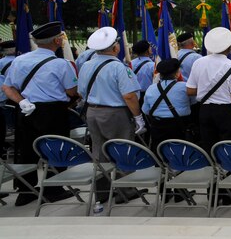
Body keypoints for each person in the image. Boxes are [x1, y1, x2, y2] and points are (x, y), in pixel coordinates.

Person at [1, 22, 78, 205]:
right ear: (58, 40)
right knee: (57, 148)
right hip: (53, 111)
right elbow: (72, 91)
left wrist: (22, 101)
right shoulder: (61, 64)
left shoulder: (19, 60)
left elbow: (7, 87)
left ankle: (25, 191)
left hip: (26, 109)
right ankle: (54, 189)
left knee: (25, 150)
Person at [77, 26, 145, 155]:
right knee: (122, 150)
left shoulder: (86, 65)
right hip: (115, 114)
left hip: (92, 111)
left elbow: (80, 92)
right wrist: (138, 117)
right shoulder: (119, 67)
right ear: (115, 48)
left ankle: (102, 174)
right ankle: (124, 175)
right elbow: (129, 96)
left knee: (99, 149)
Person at [186, 27, 231, 153]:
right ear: (228, 46)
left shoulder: (198, 62)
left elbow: (190, 91)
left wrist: (206, 89)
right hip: (226, 111)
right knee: (228, 148)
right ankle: (228, 172)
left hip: (205, 110)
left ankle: (214, 171)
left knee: (209, 147)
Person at [142, 58, 191, 146]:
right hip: (180, 127)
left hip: (158, 128)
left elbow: (145, 110)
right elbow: (193, 103)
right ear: (177, 73)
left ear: (160, 74)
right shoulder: (185, 87)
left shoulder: (151, 88)